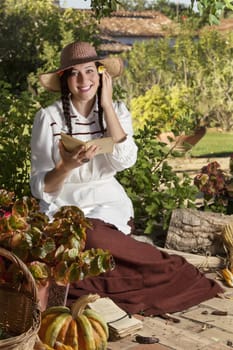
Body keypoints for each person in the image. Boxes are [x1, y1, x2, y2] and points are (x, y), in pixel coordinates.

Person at [30, 40, 223, 316]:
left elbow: (125, 160)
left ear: (100, 73)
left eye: (89, 70)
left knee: (92, 238)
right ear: (64, 79)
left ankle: (172, 270)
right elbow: (40, 187)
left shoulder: (117, 110)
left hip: (106, 207)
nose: (83, 80)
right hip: (62, 209)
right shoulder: (47, 117)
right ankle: (123, 278)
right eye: (74, 73)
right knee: (69, 250)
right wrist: (66, 166)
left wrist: (106, 104)